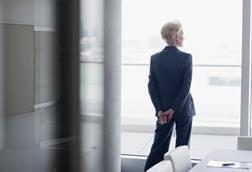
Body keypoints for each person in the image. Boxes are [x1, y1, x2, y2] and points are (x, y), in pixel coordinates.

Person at [144, 20, 196, 171]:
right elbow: (185, 88)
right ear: (174, 36)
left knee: (157, 149)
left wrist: (160, 110)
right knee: (182, 150)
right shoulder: (186, 57)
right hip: (183, 110)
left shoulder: (155, 58)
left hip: (163, 111)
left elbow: (151, 87)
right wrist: (174, 109)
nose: (184, 37)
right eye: (182, 34)